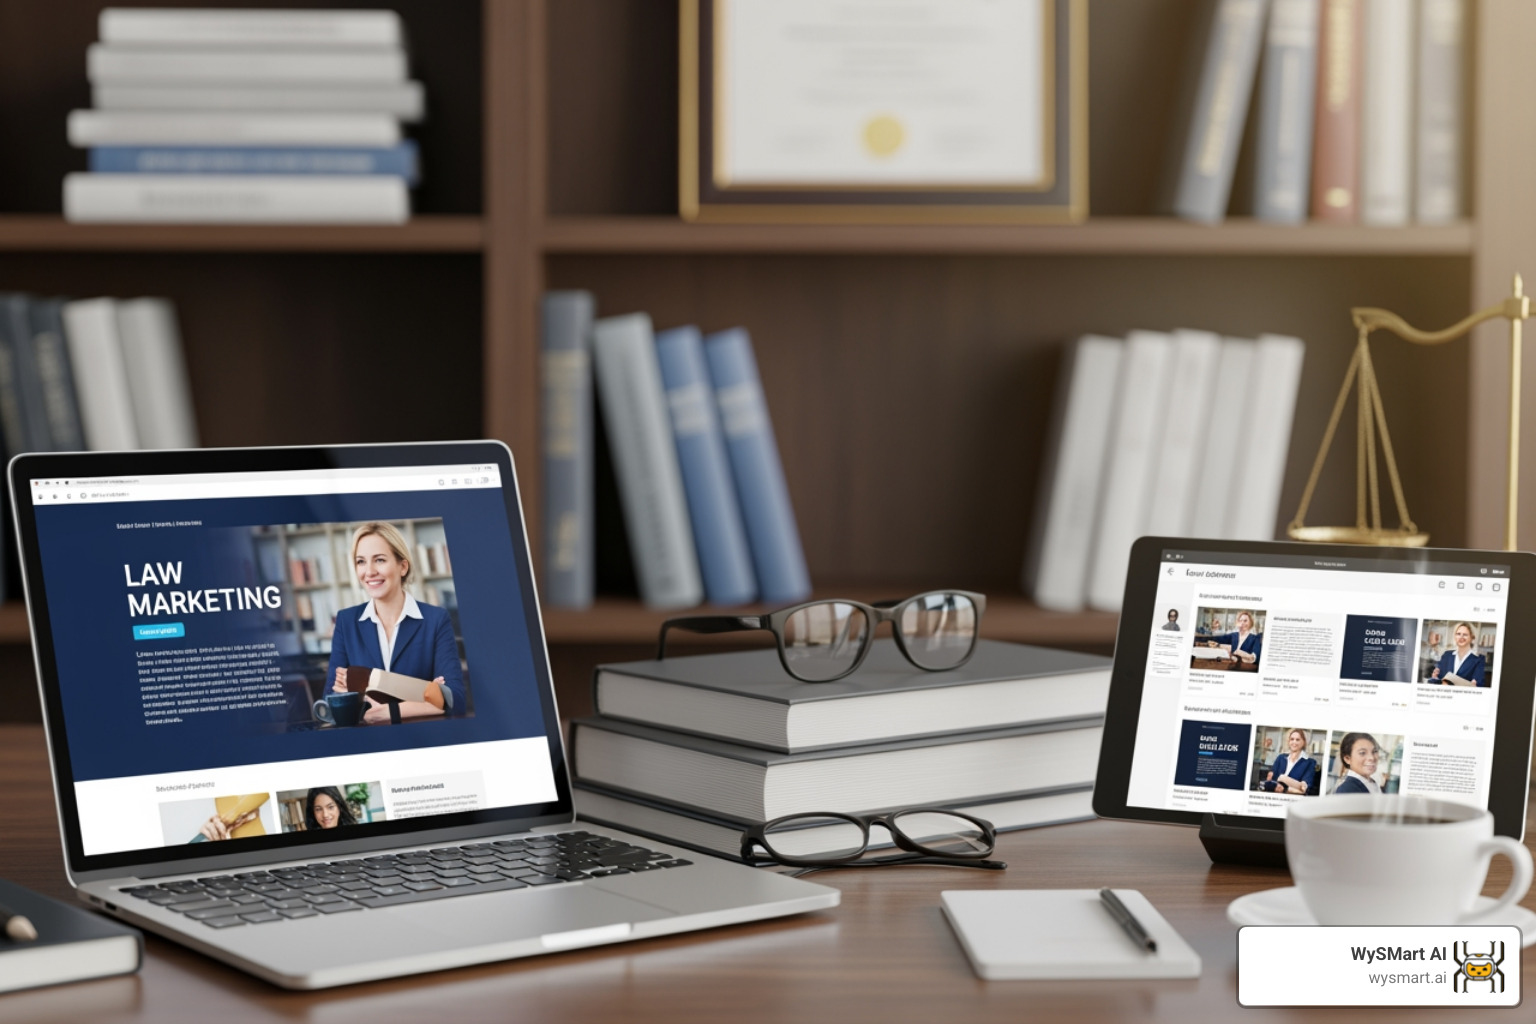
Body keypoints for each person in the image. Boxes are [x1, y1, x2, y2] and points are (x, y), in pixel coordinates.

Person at [328, 522, 466, 724]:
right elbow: (331, 701)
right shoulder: (346, 622)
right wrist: (426, 696)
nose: (369, 571)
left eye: (380, 560)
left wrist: (388, 710)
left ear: (402, 566)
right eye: (361, 562)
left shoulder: (436, 620)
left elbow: (455, 700)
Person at [1258, 728, 1317, 795]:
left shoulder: (1310, 762)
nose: (1294, 742)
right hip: (1275, 795)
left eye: (1297, 740)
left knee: (1282, 777)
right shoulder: (1281, 758)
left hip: (1293, 799)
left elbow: (1304, 788)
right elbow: (1270, 780)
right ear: (1289, 742)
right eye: (1292, 739)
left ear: (1303, 742)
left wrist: (1283, 780)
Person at [1429, 621, 1487, 687]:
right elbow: (1437, 679)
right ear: (1455, 637)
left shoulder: (1479, 659)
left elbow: (1479, 684)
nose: (1461, 637)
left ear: (1472, 637)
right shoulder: (1446, 655)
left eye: (1465, 634)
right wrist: (1435, 678)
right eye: (1458, 634)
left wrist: (1475, 685)